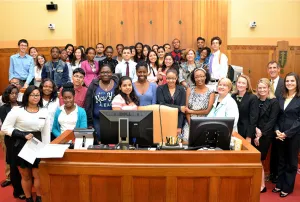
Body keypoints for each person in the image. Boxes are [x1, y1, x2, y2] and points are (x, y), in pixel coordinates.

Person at [2, 85, 50, 202]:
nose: (36, 97)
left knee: (38, 174)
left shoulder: (44, 111)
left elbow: (45, 133)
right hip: (20, 145)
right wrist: (21, 134)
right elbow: (5, 128)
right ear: (27, 96)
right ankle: (28, 198)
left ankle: (39, 197)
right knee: (25, 175)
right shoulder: (17, 110)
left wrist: (46, 149)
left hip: (37, 145)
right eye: (33, 95)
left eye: (38, 95)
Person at [272, 72, 300, 197]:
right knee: (281, 160)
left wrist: (287, 133)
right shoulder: (281, 96)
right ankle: (279, 184)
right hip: (279, 134)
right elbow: (277, 115)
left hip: (294, 135)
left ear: (297, 83)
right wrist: (277, 130)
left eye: (292, 81)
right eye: (287, 81)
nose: (289, 83)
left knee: (291, 162)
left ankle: (287, 187)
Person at [253, 78, 280, 193]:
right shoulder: (255, 100)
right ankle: (257, 183)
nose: (262, 90)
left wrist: (260, 134)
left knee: (258, 159)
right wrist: (255, 129)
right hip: (254, 132)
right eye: (260, 88)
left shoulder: (274, 102)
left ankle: (262, 185)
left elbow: (272, 121)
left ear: (269, 88)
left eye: (264, 87)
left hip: (266, 135)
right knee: (253, 159)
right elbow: (252, 116)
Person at [0, 85, 25, 199]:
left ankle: (26, 188)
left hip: (24, 138)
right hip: (11, 139)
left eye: (16, 93)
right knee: (14, 167)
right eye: (12, 93)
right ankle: (17, 191)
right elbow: (8, 125)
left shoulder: (22, 105)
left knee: (23, 165)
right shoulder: (3, 108)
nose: (14, 95)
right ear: (7, 95)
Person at [85, 64, 118, 139]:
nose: (105, 74)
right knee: (99, 141)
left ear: (112, 73)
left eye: (108, 72)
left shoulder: (117, 84)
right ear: (99, 73)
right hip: (97, 119)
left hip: (114, 120)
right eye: (103, 72)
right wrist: (90, 122)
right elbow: (88, 103)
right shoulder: (94, 84)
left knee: (112, 141)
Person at [182, 68, 214, 140]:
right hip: (190, 122)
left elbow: (207, 111)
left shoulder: (211, 92)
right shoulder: (189, 89)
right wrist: (192, 124)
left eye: (202, 76)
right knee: (187, 140)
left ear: (206, 77)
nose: (199, 79)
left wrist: (191, 111)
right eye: (197, 77)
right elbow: (186, 110)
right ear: (194, 78)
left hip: (204, 123)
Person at [268, 61, 284, 183]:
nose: (272, 70)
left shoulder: (285, 84)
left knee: (280, 151)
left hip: (281, 122)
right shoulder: (266, 83)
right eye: (270, 68)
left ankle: (279, 175)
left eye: (274, 68)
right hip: (268, 122)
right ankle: (272, 174)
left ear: (279, 69)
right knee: (272, 151)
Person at [157, 68, 186, 135]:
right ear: (165, 78)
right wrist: (179, 108)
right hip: (163, 119)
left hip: (178, 120)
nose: (170, 81)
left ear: (177, 78)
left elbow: (183, 110)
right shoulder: (160, 89)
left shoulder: (181, 89)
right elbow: (161, 105)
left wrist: (179, 126)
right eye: (168, 78)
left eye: (173, 78)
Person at [232, 74, 259, 141]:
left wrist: (249, 136)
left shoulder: (252, 98)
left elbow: (253, 119)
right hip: (233, 131)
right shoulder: (233, 96)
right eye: (239, 82)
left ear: (247, 85)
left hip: (245, 132)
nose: (240, 85)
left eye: (243, 83)